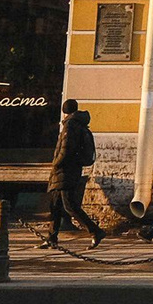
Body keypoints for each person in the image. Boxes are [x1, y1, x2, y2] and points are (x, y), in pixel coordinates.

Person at [39, 100, 104, 248]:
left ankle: (95, 231)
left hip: (65, 171)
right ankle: (51, 238)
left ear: (64, 110)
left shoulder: (71, 125)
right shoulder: (77, 125)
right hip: (67, 170)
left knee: (70, 206)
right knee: (55, 205)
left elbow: (66, 149)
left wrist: (56, 163)